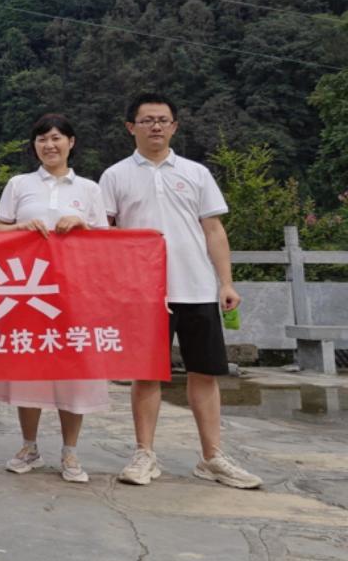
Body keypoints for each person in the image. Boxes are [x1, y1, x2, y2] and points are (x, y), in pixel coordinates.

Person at [99, 93, 262, 489]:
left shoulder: (196, 173)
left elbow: (214, 230)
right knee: (146, 375)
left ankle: (212, 457)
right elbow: (104, 234)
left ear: (174, 126)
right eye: (147, 120)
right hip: (143, 292)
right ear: (130, 127)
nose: (155, 126)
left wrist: (225, 282)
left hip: (197, 287)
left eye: (163, 119)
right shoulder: (115, 176)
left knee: (204, 372)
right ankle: (144, 454)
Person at [0, 114, 109, 483]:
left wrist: (83, 225)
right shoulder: (19, 184)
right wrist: (21, 227)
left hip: (75, 290)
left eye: (57, 138)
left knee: (73, 370)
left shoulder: (89, 189)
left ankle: (70, 451)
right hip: (28, 290)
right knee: (29, 366)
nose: (49, 145)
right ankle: (29, 445)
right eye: (42, 139)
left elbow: (105, 240)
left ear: (71, 143)